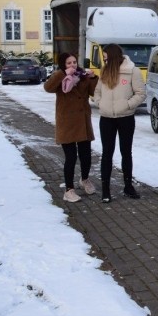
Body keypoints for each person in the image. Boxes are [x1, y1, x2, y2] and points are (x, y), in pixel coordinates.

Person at [93, 43, 146, 202]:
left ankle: (128, 186)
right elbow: (97, 92)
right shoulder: (105, 70)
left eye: (106, 56)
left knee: (126, 152)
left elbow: (141, 93)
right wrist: (100, 103)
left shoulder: (132, 71)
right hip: (106, 118)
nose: (104, 59)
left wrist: (127, 105)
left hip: (126, 118)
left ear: (113, 55)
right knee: (107, 154)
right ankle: (105, 190)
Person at [43, 53, 99, 203]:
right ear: (63, 64)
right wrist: (63, 74)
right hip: (67, 123)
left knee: (86, 155)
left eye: (74, 62)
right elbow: (48, 87)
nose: (72, 65)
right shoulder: (60, 76)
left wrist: (93, 78)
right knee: (71, 157)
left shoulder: (83, 75)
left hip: (82, 122)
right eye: (69, 63)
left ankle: (85, 179)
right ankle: (69, 190)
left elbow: (94, 92)